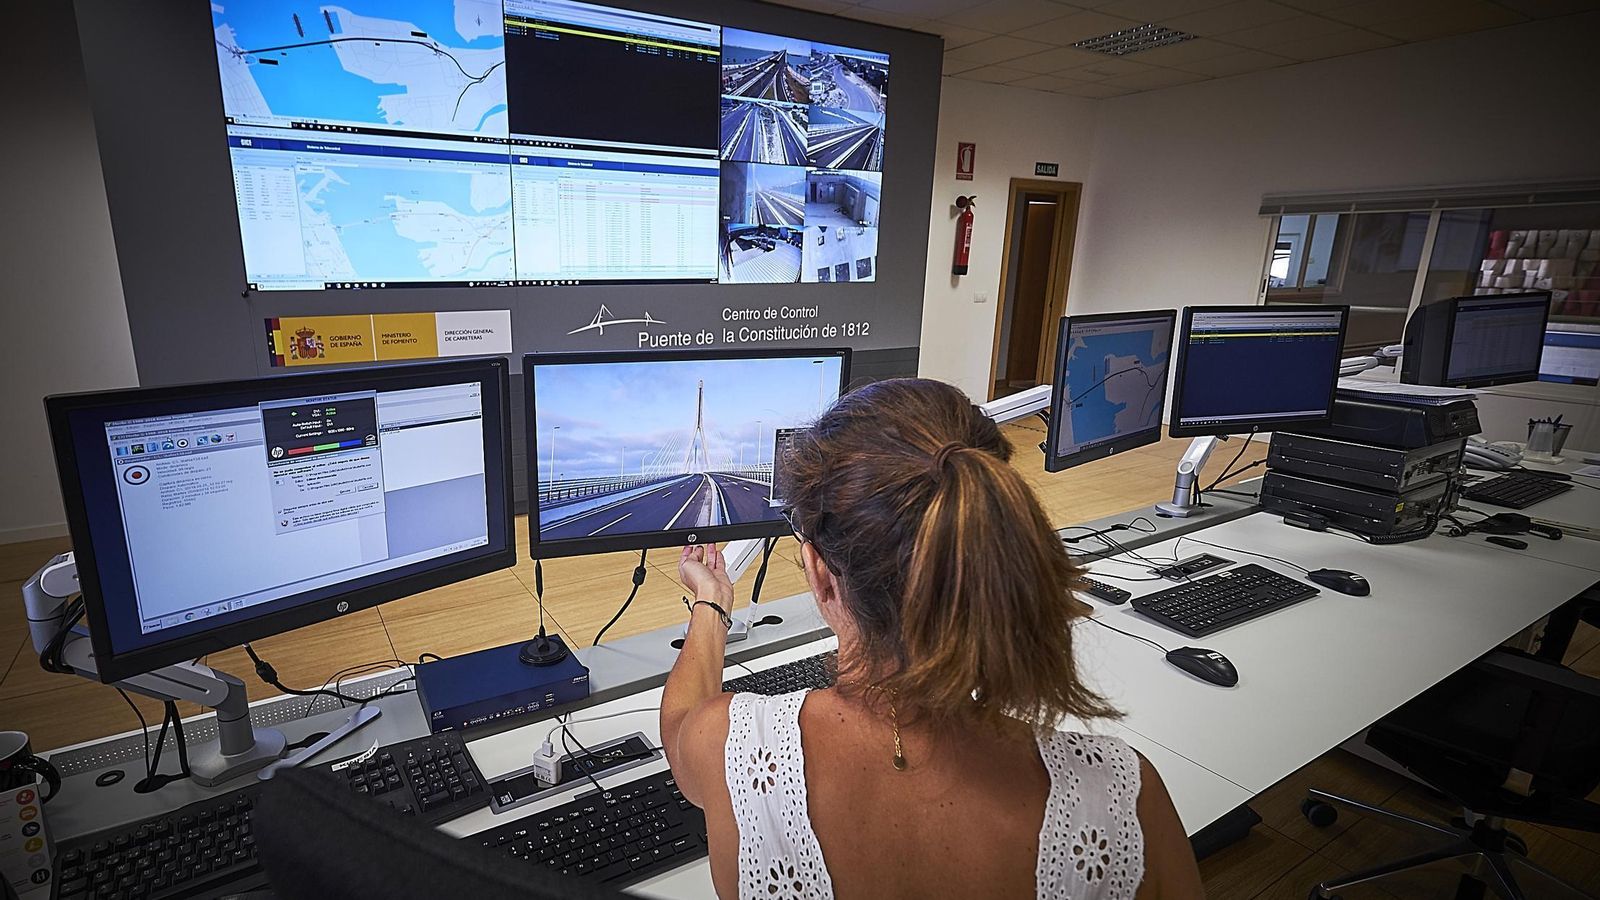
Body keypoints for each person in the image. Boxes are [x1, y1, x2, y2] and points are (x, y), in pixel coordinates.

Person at [661, 378, 1203, 900]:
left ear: (819, 571)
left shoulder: (730, 743)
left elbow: (680, 723)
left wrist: (711, 602)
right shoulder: (1121, 796)